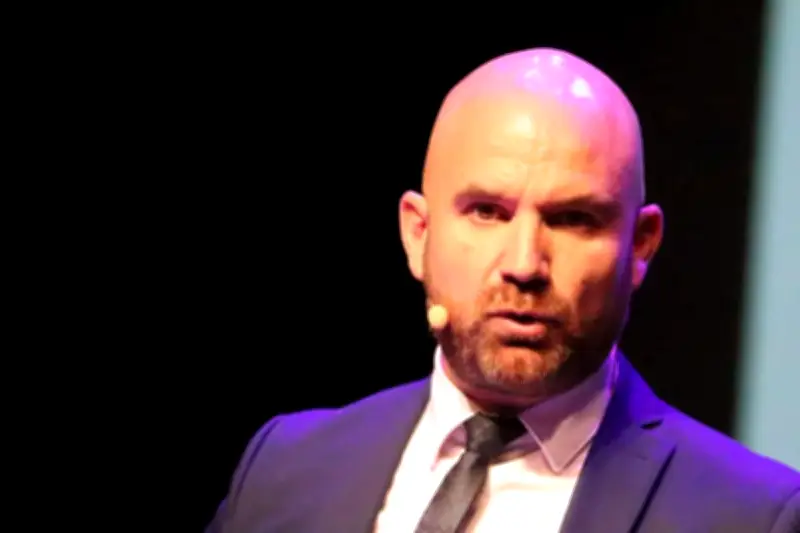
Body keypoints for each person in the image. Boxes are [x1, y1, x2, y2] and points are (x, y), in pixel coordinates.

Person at [206, 48, 800, 533]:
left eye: (573, 220)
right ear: (418, 234)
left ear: (640, 246)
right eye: (487, 212)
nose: (523, 265)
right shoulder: (285, 466)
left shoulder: (750, 515)